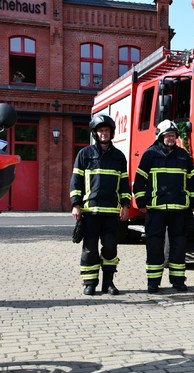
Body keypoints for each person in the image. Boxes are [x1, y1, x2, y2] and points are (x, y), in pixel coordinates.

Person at [133, 120, 194, 294]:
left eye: (173, 135)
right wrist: (141, 203)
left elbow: (192, 182)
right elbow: (139, 181)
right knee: (154, 247)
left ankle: (178, 281)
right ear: (160, 136)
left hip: (179, 211)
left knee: (179, 247)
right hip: (156, 210)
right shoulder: (150, 155)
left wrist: (193, 203)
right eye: (167, 135)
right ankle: (153, 282)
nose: (170, 138)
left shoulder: (184, 156)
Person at [69, 114, 131, 296]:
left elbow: (124, 183)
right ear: (95, 133)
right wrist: (76, 204)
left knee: (110, 248)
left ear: (111, 133)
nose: (104, 133)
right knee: (90, 249)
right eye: (100, 130)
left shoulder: (119, 157)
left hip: (111, 212)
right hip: (90, 212)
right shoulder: (84, 154)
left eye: (107, 130)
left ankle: (108, 283)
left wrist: (125, 204)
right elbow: (76, 181)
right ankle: (89, 283)